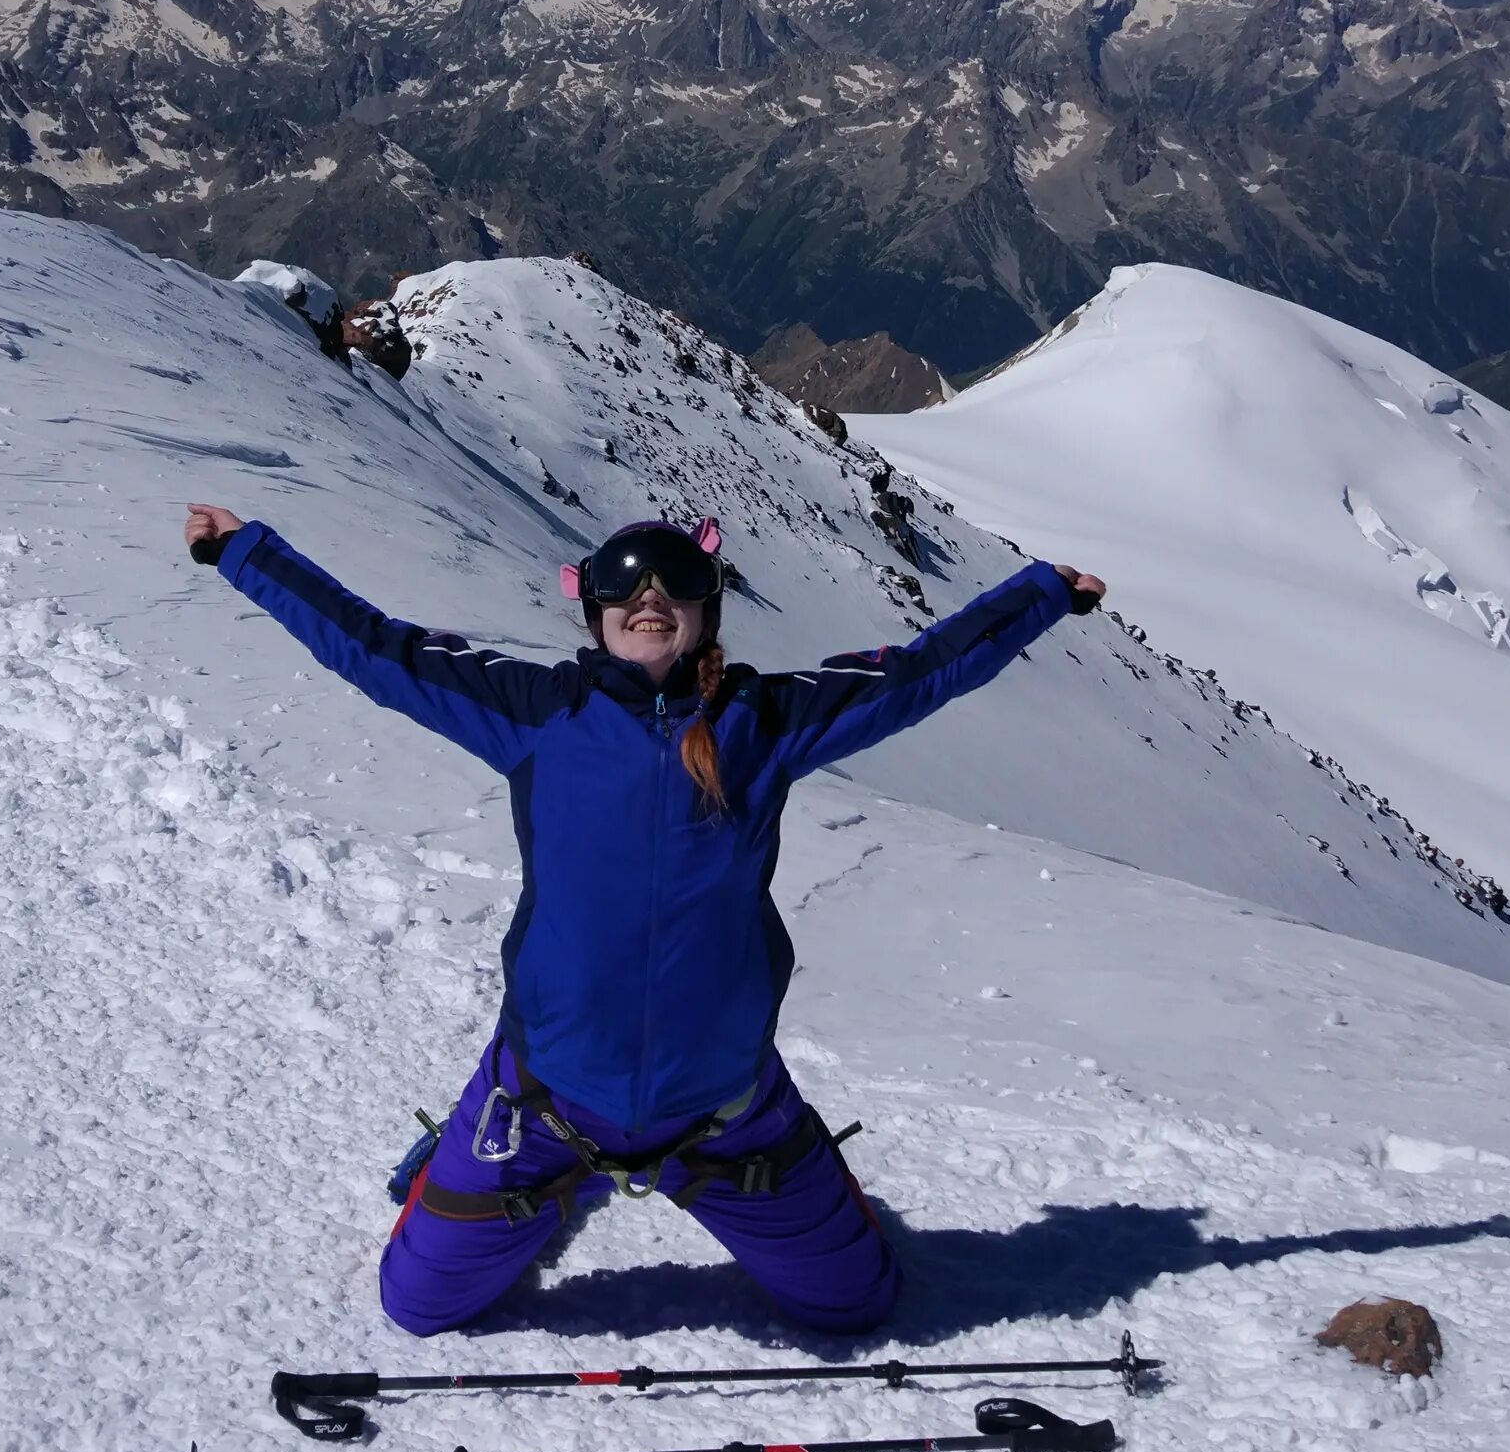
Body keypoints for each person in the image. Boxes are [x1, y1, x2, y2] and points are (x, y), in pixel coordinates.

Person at [183, 501, 1104, 1336]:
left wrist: (1040, 596)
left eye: (675, 578)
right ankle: (478, 1158)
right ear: (592, 611)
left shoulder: (765, 720)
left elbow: (918, 676)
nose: (650, 594)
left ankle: (742, 1175)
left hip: (724, 1109)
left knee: (856, 1306)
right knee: (417, 1306)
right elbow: (377, 649)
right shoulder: (540, 714)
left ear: (705, 608)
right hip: (544, 1098)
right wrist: (247, 554)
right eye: (624, 581)